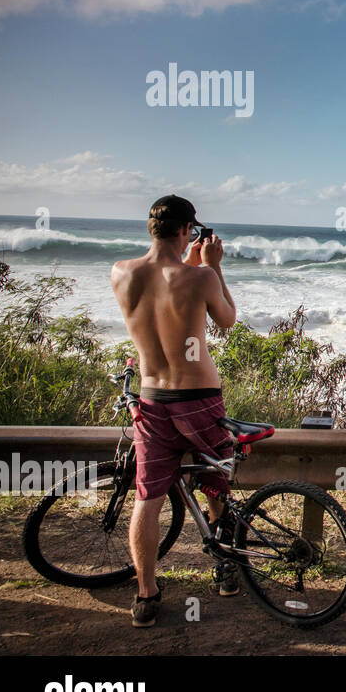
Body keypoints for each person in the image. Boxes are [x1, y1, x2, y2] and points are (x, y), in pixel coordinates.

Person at [111, 196, 238, 627]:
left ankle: (146, 596)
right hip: (200, 398)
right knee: (216, 483)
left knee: (147, 499)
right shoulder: (200, 277)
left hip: (152, 400)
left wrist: (193, 262)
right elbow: (227, 320)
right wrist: (212, 266)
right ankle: (225, 570)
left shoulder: (121, 273)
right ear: (187, 231)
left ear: (151, 229)